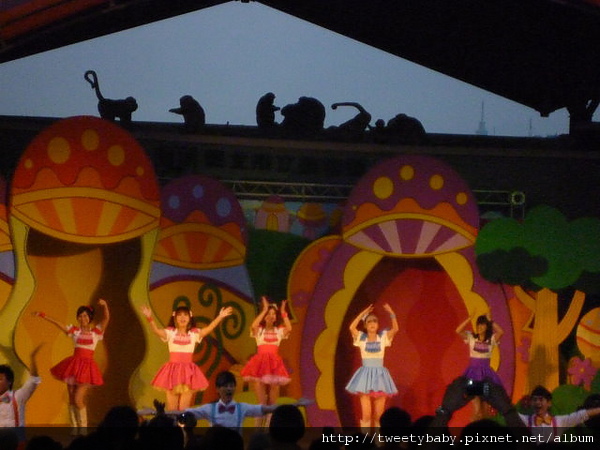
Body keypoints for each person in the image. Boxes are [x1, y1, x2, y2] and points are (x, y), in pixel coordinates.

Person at [141, 370, 311, 434]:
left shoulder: (242, 408)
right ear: (218, 389)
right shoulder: (210, 409)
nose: (229, 389)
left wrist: (296, 404)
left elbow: (269, 408)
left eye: (231, 386)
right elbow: (182, 413)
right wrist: (158, 413)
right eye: (225, 386)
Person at [34, 299, 109, 433]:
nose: (82, 318)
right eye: (80, 316)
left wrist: (105, 306)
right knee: (71, 397)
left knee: (78, 398)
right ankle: (74, 428)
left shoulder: (96, 332)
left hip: (87, 367)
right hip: (73, 365)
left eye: (85, 315)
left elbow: (106, 319)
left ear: (90, 317)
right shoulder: (74, 330)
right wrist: (44, 316)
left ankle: (83, 429)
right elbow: (59, 324)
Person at [140, 303, 232, 411]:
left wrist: (220, 316)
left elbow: (209, 328)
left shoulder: (194, 334)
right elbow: (156, 331)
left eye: (185, 315)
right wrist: (149, 318)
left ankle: (183, 427)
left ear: (190, 317)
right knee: (172, 408)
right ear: (175, 318)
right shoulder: (170, 333)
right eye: (179, 315)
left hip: (188, 373)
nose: (182, 317)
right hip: (172, 372)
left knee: (184, 408)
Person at [345, 303, 399, 431]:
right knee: (367, 414)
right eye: (369, 321)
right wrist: (363, 314)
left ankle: (379, 443)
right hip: (365, 376)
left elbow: (395, 329)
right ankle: (365, 441)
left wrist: (391, 313)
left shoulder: (383, 337)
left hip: (380, 376)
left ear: (378, 325)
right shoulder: (361, 338)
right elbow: (351, 327)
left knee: (379, 415)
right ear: (365, 325)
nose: (372, 323)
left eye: (375, 321)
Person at [240, 296, 292, 427]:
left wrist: (283, 312)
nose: (271, 316)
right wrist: (264, 310)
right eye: (269, 314)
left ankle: (270, 424)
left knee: (273, 398)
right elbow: (253, 325)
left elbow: (289, 328)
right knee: (261, 401)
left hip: (274, 365)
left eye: (273, 314)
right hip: (260, 365)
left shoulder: (279, 331)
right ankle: (258, 427)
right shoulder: (260, 331)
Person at [456, 313, 504, 420]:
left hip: (486, 375)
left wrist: (490, 320)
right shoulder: (471, 337)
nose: (479, 327)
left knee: (485, 410)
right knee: (476, 410)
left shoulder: (491, 340)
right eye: (478, 325)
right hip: (473, 375)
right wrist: (469, 319)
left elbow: (501, 332)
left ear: (487, 326)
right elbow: (458, 330)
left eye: (482, 325)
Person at [518, 385, 600, 442]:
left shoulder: (558, 422)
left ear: (549, 403)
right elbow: (508, 413)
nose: (537, 403)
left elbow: (580, 416)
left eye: (541, 399)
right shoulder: (525, 420)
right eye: (534, 400)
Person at [0, 345, 42, 429]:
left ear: (9, 381)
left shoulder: (18, 396)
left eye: (0, 379)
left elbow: (34, 380)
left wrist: (32, 358)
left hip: (15, 440)